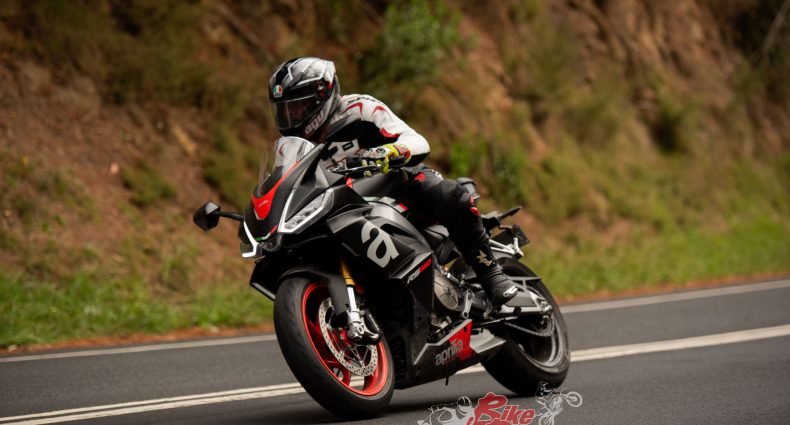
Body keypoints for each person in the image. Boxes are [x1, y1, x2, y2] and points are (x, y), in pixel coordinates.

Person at [268, 57, 518, 307]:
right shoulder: (287, 150)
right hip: (340, 207)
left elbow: (418, 142)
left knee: (449, 195)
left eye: (298, 106)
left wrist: (386, 153)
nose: (291, 115)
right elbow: (285, 188)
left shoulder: (359, 108)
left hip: (396, 185)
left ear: (322, 96)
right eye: (285, 109)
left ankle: (491, 273)